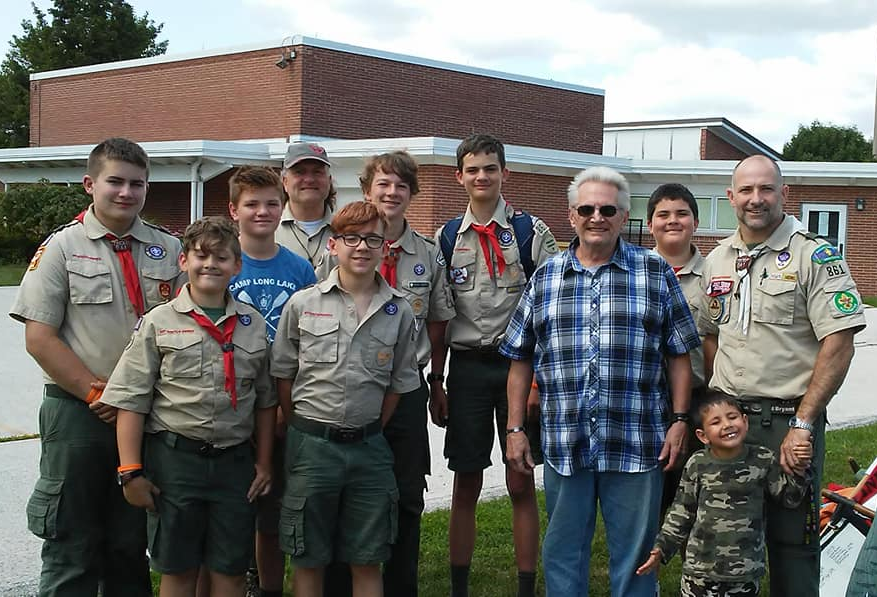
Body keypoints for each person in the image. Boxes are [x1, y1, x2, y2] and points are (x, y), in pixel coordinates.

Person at [501, 165, 701, 596]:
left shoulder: (654, 272)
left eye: (608, 210)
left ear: (623, 216)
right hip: (566, 441)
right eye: (587, 209)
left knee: (636, 557)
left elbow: (679, 352)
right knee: (563, 552)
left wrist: (680, 419)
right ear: (571, 215)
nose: (597, 217)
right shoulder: (546, 277)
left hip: (637, 439)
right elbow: (520, 357)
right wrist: (515, 429)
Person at [9, 137, 184, 596]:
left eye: (137, 184)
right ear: (90, 184)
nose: (126, 192)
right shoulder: (62, 247)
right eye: (115, 182)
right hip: (79, 414)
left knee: (130, 541)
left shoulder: (169, 249)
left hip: (146, 416)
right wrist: (96, 392)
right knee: (72, 540)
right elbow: (39, 338)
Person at [700, 154, 867, 596]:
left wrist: (803, 422)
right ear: (731, 197)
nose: (756, 199)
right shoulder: (717, 259)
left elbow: (839, 343)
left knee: (793, 545)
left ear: (784, 194)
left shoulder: (815, 255)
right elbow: (710, 336)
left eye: (766, 189)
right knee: (727, 545)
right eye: (746, 190)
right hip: (730, 427)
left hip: (787, 426)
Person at [100, 216, 275, 596]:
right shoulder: (158, 322)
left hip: (234, 464)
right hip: (175, 463)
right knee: (178, 570)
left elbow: (265, 401)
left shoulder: (253, 324)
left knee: (230, 570)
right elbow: (131, 400)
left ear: (237, 265)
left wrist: (263, 462)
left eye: (222, 258)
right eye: (201, 256)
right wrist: (130, 471)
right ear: (184, 261)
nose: (211, 264)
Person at [316, 151, 455, 596]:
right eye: (383, 183)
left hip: (408, 387)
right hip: (350, 386)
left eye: (401, 185)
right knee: (344, 491)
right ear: (367, 189)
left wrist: (437, 382)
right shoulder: (339, 248)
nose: (392, 192)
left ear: (411, 193)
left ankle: (399, 586)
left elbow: (438, 322)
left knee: (407, 494)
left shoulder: (428, 254)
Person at [271, 201, 421, 597]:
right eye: (351, 238)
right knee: (308, 558)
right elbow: (284, 375)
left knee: (368, 557)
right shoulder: (303, 304)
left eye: (372, 239)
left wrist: (370, 428)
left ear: (385, 247)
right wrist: (301, 426)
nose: (362, 247)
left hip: (369, 450)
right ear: (333, 244)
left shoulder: (399, 311)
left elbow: (397, 385)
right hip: (311, 448)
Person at [435, 133, 558, 597]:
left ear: (505, 173)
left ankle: (526, 586)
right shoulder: (447, 237)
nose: (482, 176)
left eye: (490, 168)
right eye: (473, 169)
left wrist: (537, 382)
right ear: (459, 177)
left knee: (520, 479)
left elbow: (550, 308)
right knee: (465, 480)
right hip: (468, 368)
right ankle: (459, 588)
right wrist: (437, 381)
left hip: (517, 368)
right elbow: (441, 315)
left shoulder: (530, 232)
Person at [227, 166, 316, 597]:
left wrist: (287, 406)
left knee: (272, 511)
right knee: (231, 507)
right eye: (251, 204)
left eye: (270, 204)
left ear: (282, 208)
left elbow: (311, 340)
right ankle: (236, 576)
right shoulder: (222, 264)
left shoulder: (299, 268)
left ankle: (268, 588)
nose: (262, 212)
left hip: (282, 401)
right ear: (234, 210)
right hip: (230, 403)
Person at [636, 393, 812, 596]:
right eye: (716, 422)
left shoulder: (763, 459)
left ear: (745, 421)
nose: (727, 425)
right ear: (703, 436)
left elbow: (789, 497)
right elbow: (681, 513)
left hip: (745, 574)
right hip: (700, 574)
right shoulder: (697, 464)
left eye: (732, 417)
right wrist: (661, 548)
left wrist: (800, 467)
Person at [646, 183, 707, 517]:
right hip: (646, 399)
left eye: (682, 213)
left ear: (695, 222)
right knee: (650, 494)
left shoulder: (715, 275)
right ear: (650, 224)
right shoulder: (634, 272)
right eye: (663, 214)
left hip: (699, 398)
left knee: (696, 492)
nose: (673, 221)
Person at [275, 142, 336, 267]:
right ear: (285, 182)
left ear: (329, 181)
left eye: (317, 172)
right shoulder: (267, 231)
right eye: (300, 172)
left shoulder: (347, 231)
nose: (309, 180)